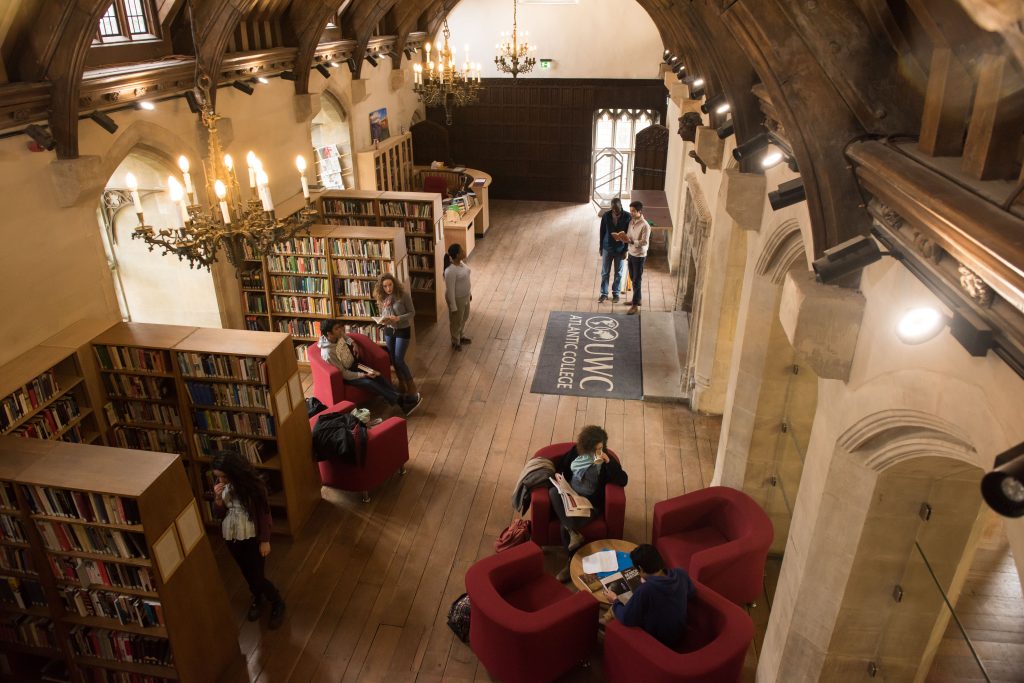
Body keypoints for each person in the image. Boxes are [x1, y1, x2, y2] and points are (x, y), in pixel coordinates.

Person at [211, 451, 286, 630]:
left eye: (223, 477)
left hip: (251, 535)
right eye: (218, 477)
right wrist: (217, 499)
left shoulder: (253, 487)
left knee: (257, 574)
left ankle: (276, 600)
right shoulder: (221, 486)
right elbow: (220, 514)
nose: (221, 481)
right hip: (232, 535)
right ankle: (257, 597)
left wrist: (265, 540)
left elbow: (264, 514)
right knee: (246, 571)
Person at [552, 425, 629, 582]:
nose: (597, 453)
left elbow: (623, 479)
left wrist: (608, 463)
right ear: (585, 447)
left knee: (563, 525)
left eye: (600, 448)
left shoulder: (606, 459)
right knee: (553, 493)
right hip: (572, 495)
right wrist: (559, 478)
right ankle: (573, 532)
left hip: (591, 504)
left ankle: (570, 563)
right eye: (594, 450)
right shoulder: (576, 452)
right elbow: (561, 466)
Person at [317, 319, 421, 415]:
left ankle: (400, 400)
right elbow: (344, 374)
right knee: (369, 382)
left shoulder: (337, 335)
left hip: (355, 364)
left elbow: (346, 337)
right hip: (348, 376)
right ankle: (403, 402)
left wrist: (353, 343)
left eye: (339, 327)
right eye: (337, 329)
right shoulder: (328, 353)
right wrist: (363, 375)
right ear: (329, 334)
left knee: (377, 375)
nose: (340, 330)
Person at [602, 544, 695, 648]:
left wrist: (615, 600)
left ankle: (603, 629)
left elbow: (626, 618)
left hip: (659, 640)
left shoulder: (646, 590)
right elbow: (690, 593)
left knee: (617, 607)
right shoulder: (681, 573)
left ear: (641, 568)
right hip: (679, 630)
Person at [374, 273, 418, 400]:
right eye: (385, 286)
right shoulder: (383, 298)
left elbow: (412, 312)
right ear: (382, 288)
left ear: (394, 283)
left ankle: (411, 385)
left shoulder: (403, 296)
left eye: (390, 285)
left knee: (399, 359)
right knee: (392, 359)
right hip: (389, 330)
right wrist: (384, 317)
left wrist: (399, 318)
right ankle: (401, 384)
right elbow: (384, 314)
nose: (388, 288)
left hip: (402, 329)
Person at [613, 200, 651, 315]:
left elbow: (644, 242)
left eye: (634, 211)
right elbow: (629, 235)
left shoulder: (645, 225)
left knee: (636, 280)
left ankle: (635, 305)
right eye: (631, 211)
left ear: (640, 211)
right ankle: (637, 300)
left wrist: (631, 241)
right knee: (632, 277)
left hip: (639, 256)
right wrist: (622, 237)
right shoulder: (631, 222)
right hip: (631, 253)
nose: (632, 213)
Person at [598, 198, 630, 303]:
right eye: (613, 209)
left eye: (617, 209)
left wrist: (626, 250)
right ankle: (604, 294)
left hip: (620, 249)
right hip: (607, 247)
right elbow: (602, 231)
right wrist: (601, 247)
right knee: (605, 272)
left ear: (621, 206)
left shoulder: (627, 216)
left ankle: (616, 293)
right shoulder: (606, 215)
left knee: (619, 273)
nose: (615, 211)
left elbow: (628, 235)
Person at [444, 244, 472, 351]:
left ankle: (461, 335)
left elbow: (466, 279)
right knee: (456, 320)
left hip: (465, 296)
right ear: (456, 255)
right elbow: (450, 291)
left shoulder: (461, 264)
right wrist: (453, 306)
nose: (464, 252)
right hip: (457, 298)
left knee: (464, 317)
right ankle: (455, 341)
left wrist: (469, 293)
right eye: (462, 251)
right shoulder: (450, 271)